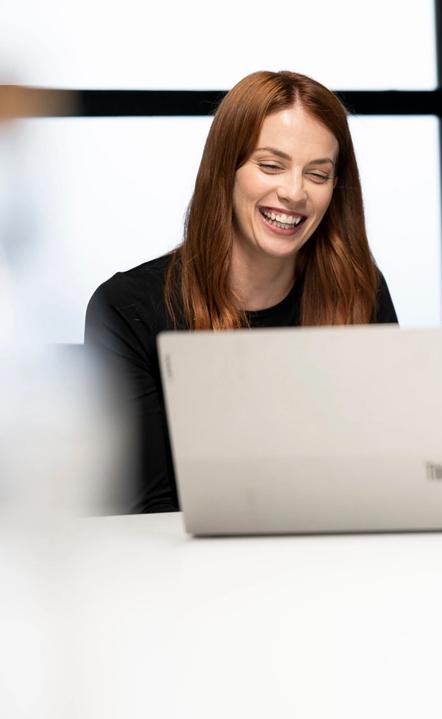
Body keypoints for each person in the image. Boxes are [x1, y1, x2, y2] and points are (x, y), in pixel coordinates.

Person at [85, 71, 397, 513]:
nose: (294, 193)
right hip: (190, 574)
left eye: (318, 174)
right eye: (270, 166)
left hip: (334, 563)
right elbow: (144, 515)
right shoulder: (127, 308)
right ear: (224, 170)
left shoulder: (358, 288)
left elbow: (388, 472)